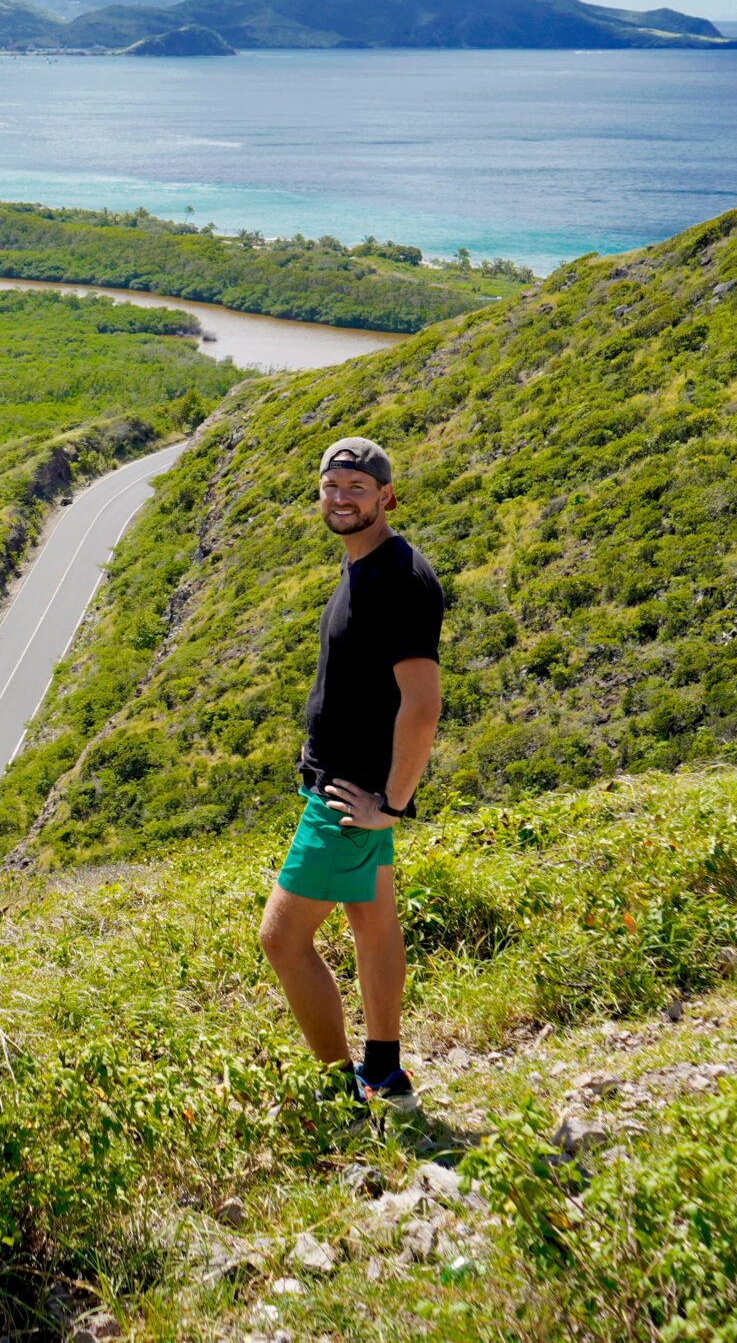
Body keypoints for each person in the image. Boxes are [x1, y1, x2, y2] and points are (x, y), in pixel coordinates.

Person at [258, 435, 444, 1112]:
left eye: (357, 488)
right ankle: (387, 1076)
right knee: (372, 918)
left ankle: (340, 1096)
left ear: (386, 497)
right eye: (331, 486)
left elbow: (422, 705)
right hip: (358, 787)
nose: (340, 498)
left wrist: (390, 805)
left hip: (347, 794)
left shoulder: (397, 579)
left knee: (281, 937)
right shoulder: (368, 565)